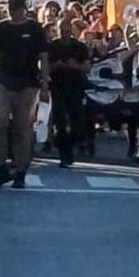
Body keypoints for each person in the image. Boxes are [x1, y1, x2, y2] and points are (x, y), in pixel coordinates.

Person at [0, 0, 50, 189]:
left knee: (22, 128)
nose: (14, 13)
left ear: (24, 9)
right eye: (11, 10)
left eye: (17, 9)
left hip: (28, 83)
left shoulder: (34, 28)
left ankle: (21, 170)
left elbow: (44, 57)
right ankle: (1, 166)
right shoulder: (0, 28)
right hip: (3, 81)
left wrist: (45, 84)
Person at [46, 16, 91, 168]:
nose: (64, 33)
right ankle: (64, 154)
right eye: (61, 30)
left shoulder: (79, 47)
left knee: (77, 122)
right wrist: (56, 66)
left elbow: (87, 67)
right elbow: (45, 67)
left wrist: (74, 66)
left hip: (75, 87)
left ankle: (71, 146)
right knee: (60, 122)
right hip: (57, 86)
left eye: (67, 30)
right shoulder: (51, 46)